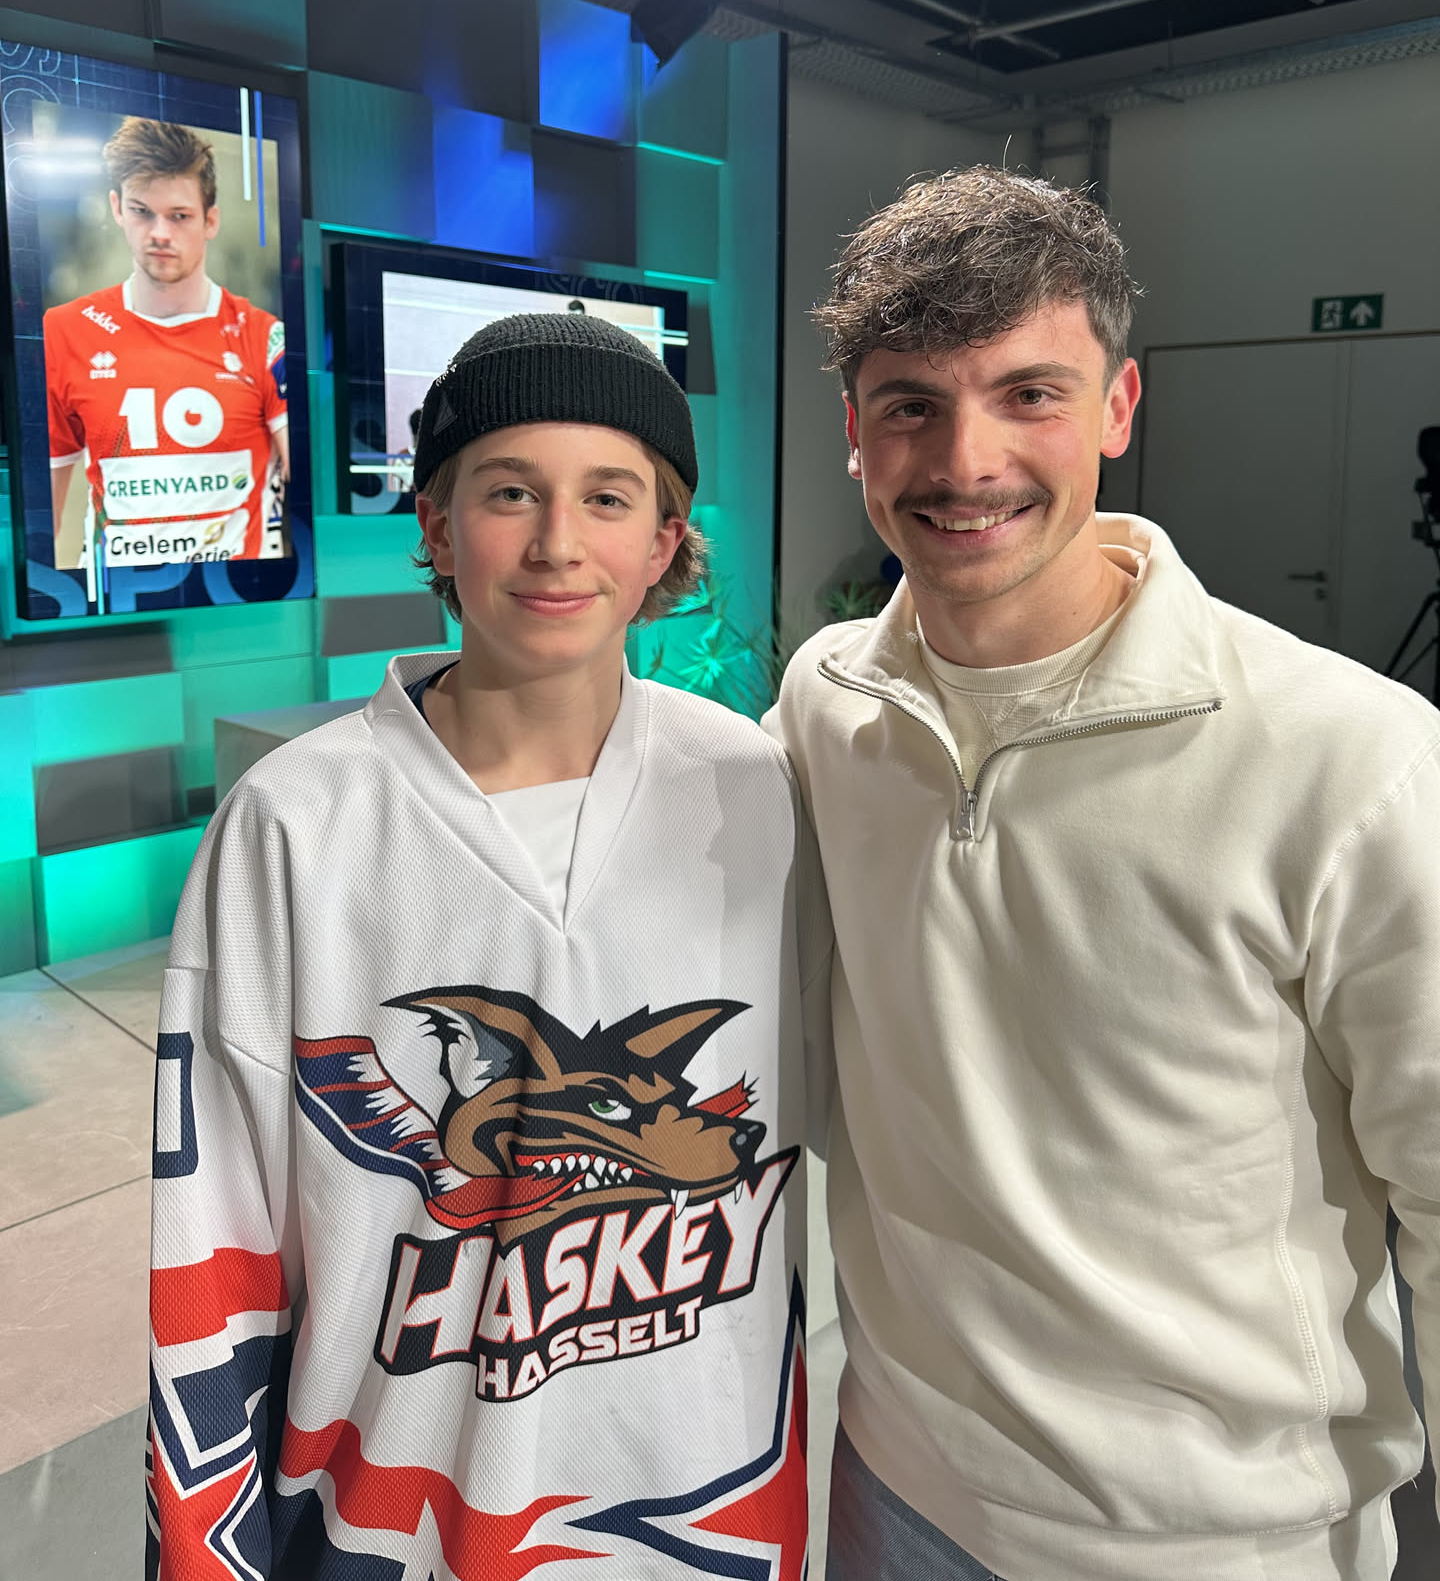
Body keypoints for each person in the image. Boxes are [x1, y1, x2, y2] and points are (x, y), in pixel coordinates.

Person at [771, 167, 1440, 1581]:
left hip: (1224, 1542)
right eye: (911, 405)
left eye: (1030, 394)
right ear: (855, 435)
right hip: (892, 1480)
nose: (965, 462)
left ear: (1119, 409)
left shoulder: (1351, 756)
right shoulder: (830, 701)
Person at [147, 311, 826, 1578]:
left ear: (664, 539)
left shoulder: (756, 788)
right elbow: (210, 1242)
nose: (558, 542)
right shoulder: (296, 823)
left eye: (608, 497)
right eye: (510, 492)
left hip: (708, 1514)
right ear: (439, 526)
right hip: (389, 1525)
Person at [44, 116, 287, 569]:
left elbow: (309, 495)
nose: (160, 233)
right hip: (117, 597)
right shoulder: (66, 330)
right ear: (117, 209)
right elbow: (43, 519)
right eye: (142, 212)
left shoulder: (263, 336)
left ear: (210, 220)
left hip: (239, 597)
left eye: (179, 216)